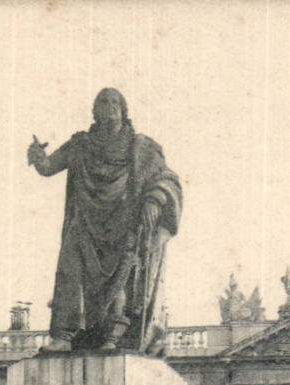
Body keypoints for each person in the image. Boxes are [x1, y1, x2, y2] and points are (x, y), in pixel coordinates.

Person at [28, 88, 182, 354]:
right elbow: (49, 166)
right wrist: (37, 157)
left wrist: (155, 200)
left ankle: (113, 335)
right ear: (94, 111)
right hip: (85, 223)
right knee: (70, 271)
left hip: (124, 223)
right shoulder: (80, 145)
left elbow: (167, 179)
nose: (108, 107)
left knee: (121, 279)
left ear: (124, 110)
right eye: (102, 102)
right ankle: (65, 335)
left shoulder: (142, 148)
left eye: (114, 103)